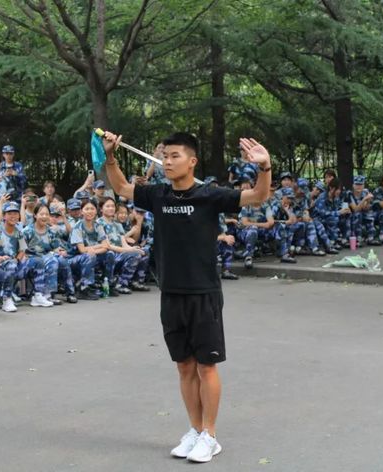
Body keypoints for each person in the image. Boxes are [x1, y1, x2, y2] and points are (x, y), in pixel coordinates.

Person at [102, 129, 271, 463]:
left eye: (174, 156)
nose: (167, 161)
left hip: (203, 292)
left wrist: (264, 167)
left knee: (206, 366)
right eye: (165, 156)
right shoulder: (158, 194)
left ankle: (210, 435)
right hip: (171, 293)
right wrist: (109, 155)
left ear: (192, 161)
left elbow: (257, 197)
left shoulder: (210, 195)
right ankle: (194, 430)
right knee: (184, 366)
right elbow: (121, 187)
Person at [0, 202, 37, 312]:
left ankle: (39, 295)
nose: (13, 216)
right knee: (11, 265)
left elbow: (22, 249)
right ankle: (7, 299)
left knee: (36, 262)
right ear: (4, 216)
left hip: (13, 261)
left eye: (15, 213)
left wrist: (17, 259)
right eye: (9, 213)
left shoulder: (18, 232)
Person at [23, 203, 77, 304]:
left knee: (62, 260)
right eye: (41, 214)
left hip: (47, 255)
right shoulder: (27, 231)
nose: (44, 216)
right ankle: (48, 295)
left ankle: (70, 293)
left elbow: (55, 248)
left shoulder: (51, 231)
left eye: (47, 214)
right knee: (52, 261)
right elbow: (22, 250)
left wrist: (60, 252)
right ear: (35, 215)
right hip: (33, 258)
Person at [96, 197, 143, 295]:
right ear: (101, 209)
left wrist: (133, 248)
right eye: (107, 206)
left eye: (112, 206)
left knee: (140, 252)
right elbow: (107, 246)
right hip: (106, 254)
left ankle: (123, 283)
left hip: (118, 254)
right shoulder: (98, 223)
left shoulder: (118, 225)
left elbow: (124, 243)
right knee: (130, 254)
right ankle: (117, 284)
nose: (111, 208)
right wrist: (128, 251)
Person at [68, 200, 113, 300]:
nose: (90, 211)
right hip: (73, 259)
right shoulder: (77, 227)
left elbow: (106, 246)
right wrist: (98, 246)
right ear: (82, 211)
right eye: (87, 209)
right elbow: (82, 250)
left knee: (110, 254)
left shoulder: (98, 226)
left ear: (96, 211)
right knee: (90, 256)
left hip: (90, 256)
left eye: (92, 209)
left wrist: (93, 250)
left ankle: (107, 284)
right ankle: (84, 288)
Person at [347, 176, 380, 246]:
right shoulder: (349, 194)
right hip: (352, 216)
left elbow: (365, 208)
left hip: (363, 213)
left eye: (360, 184)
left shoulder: (365, 192)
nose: (358, 186)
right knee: (358, 214)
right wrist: (364, 199)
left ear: (363, 185)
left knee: (369, 214)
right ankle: (358, 237)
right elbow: (355, 209)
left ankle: (371, 237)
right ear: (353, 185)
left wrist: (368, 201)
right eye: (357, 184)